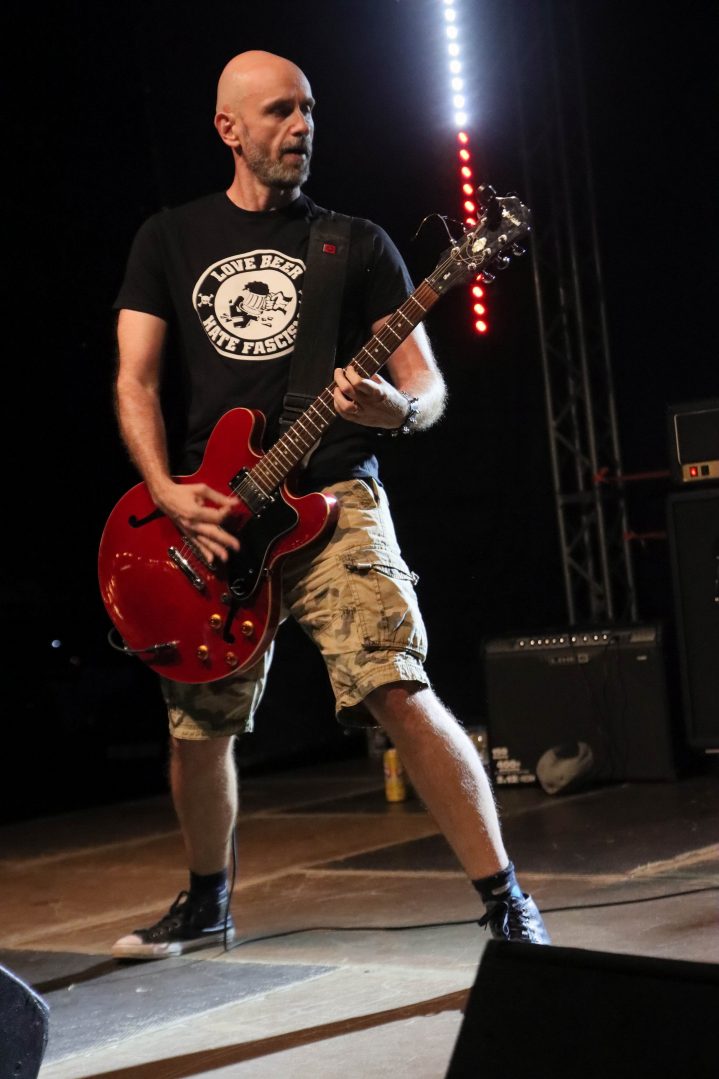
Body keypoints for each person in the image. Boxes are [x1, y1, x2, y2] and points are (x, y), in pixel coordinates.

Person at [110, 50, 550, 959]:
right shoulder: (168, 238)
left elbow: (424, 387)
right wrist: (164, 489)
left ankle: (506, 900)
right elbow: (135, 380)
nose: (301, 126)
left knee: (397, 685)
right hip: (214, 516)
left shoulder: (355, 243)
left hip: (332, 499)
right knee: (196, 728)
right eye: (279, 111)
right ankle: (207, 899)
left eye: (308, 109)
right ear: (229, 127)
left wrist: (396, 410)